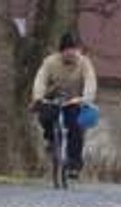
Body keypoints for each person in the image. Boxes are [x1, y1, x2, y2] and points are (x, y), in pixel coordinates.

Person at [31, 33, 97, 178]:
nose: (72, 54)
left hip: (74, 100)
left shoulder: (84, 63)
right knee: (45, 116)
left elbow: (90, 81)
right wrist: (38, 97)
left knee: (76, 127)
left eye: (74, 50)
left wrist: (86, 98)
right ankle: (50, 138)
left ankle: (74, 164)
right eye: (68, 51)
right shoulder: (50, 62)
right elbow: (40, 80)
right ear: (61, 51)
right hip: (53, 97)